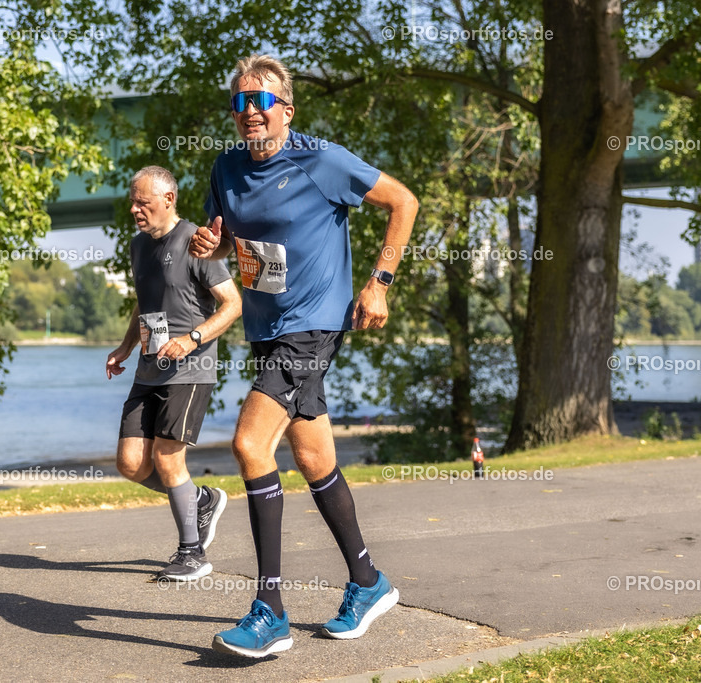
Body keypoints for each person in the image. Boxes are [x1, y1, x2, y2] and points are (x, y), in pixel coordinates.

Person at [189, 55, 419, 657]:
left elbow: (404, 202)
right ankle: (368, 582)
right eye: (239, 103)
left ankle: (270, 612)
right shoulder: (227, 168)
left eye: (259, 101)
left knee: (248, 444)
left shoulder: (323, 160)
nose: (248, 113)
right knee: (313, 455)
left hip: (313, 326)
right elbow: (226, 242)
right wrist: (209, 243)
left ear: (285, 110)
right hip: (268, 327)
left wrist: (379, 283)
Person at [107, 166, 242, 581]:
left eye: (142, 203)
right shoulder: (137, 246)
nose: (134, 209)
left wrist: (193, 339)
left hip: (190, 369)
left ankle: (192, 554)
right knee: (130, 463)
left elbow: (233, 305)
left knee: (168, 459)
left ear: (168, 199)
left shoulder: (195, 242)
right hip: (149, 368)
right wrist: (125, 346)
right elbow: (144, 303)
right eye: (133, 202)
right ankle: (199, 500)